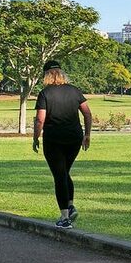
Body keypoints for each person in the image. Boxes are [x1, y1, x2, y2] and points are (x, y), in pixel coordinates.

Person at [33, 60, 92, 229]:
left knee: (59, 176)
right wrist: (87, 135)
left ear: (46, 75)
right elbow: (87, 113)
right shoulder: (74, 91)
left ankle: (65, 218)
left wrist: (35, 138)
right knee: (64, 172)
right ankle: (70, 206)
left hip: (54, 139)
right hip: (74, 138)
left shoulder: (45, 93)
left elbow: (40, 120)